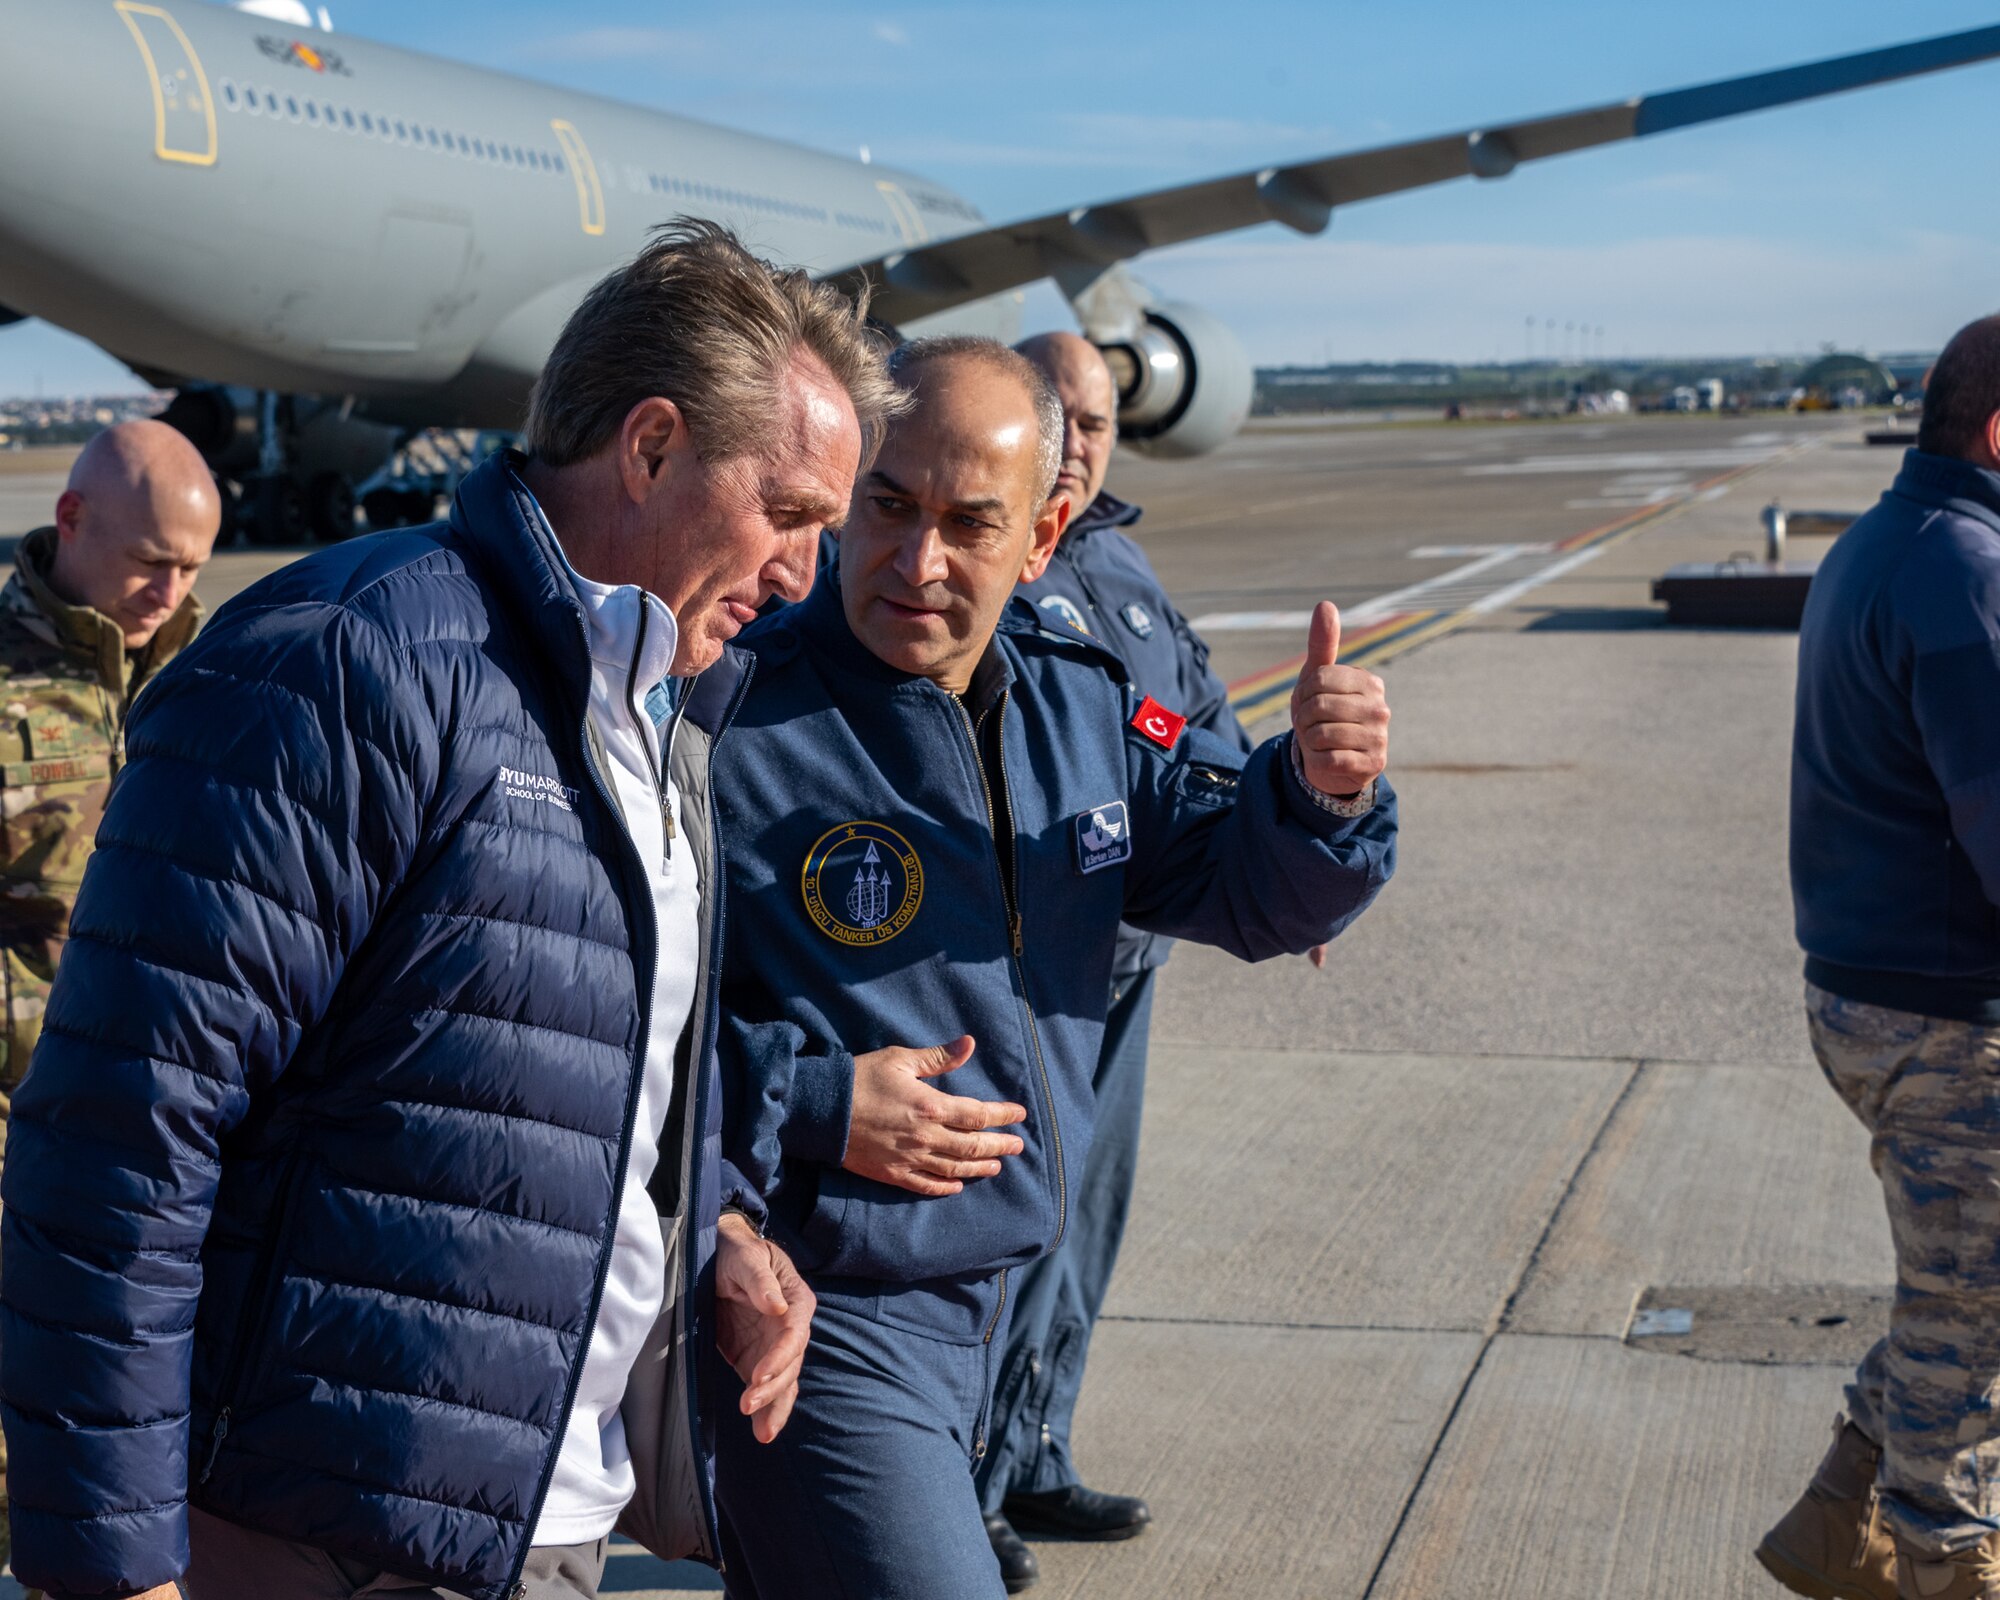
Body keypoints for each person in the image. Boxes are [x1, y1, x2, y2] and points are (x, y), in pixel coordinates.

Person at [0, 223, 900, 1600]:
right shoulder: (349, 664)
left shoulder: (662, 714)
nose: (802, 573)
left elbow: (568, 1072)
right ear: (650, 449)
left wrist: (711, 1229)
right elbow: (126, 1132)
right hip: (315, 1533)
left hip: (546, 1518)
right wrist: (113, 1563)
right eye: (789, 512)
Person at [709, 336, 1396, 1599]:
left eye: (970, 525)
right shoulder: (728, 717)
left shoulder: (1078, 704)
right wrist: (808, 1101)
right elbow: (591, 1019)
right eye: (889, 506)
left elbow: (1238, 886)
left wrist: (1317, 795)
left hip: (992, 1320)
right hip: (823, 1319)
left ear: (1042, 537)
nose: (918, 563)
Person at [963, 330, 1252, 1587]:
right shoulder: (994, 565)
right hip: (1035, 960)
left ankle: (1033, 1451)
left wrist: (1267, 852)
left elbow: (1198, 726)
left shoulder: (1123, 568)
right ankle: (958, 1488)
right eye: (1057, 415)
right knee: (1006, 1229)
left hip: (1135, 953)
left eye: (1095, 419)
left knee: (1085, 1224)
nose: (1078, 438)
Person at [1762, 312, 2000, 1600]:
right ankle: (1942, 1562)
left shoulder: (1883, 539)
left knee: (1956, 1289)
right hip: (1950, 1017)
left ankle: (1833, 1519)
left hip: (1872, 990)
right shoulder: (1967, 571)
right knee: (1975, 1338)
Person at [0, 418, 220, 1579]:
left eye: (190, 567)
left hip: (156, 1161)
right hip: (19, 1147)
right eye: (151, 563)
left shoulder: (203, 674)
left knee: (117, 1484)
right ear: (70, 521)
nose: (169, 591)